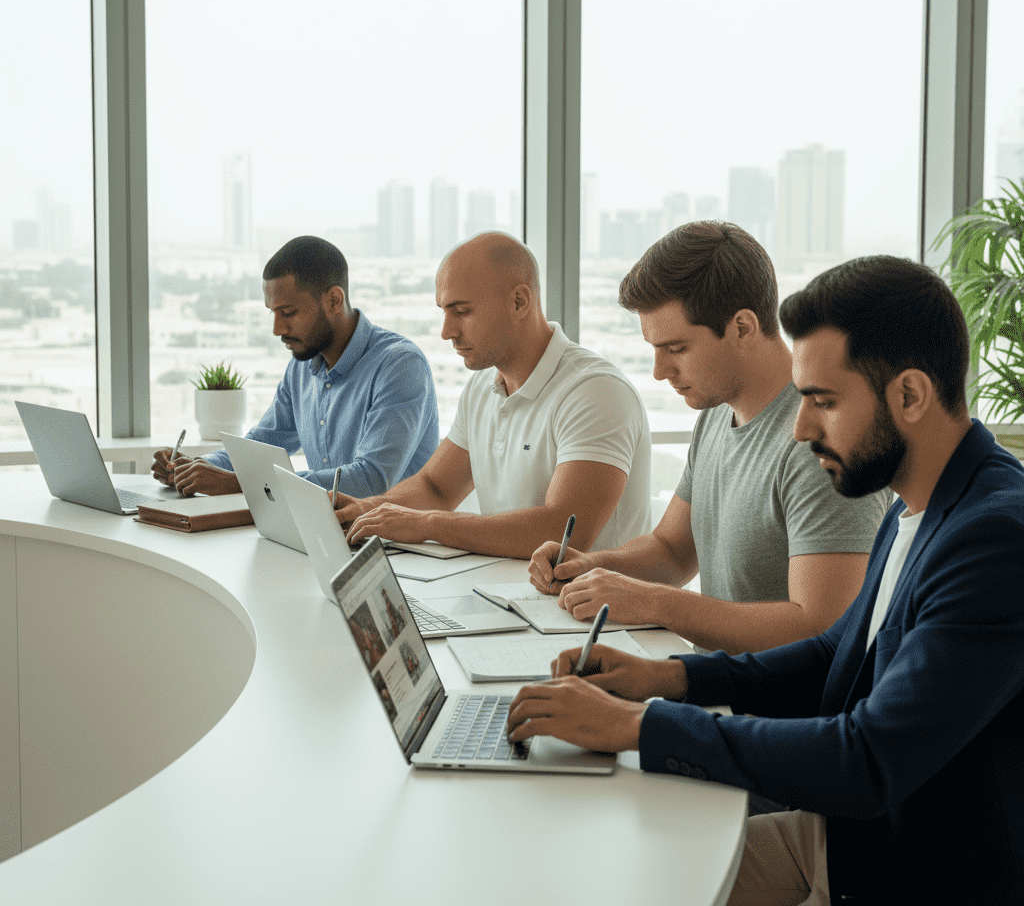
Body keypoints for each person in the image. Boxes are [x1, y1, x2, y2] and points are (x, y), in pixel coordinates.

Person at [507, 255, 1024, 904]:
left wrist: (638, 727)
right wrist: (669, 680)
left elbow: (866, 760)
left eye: (824, 402)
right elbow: (837, 652)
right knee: (609, 869)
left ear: (911, 396)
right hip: (852, 835)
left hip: (907, 868)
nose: (803, 428)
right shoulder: (914, 503)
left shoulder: (995, 538)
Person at [528, 222, 888, 654]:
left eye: (676, 349)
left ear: (742, 327)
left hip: (772, 716)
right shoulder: (717, 415)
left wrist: (655, 604)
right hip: (715, 691)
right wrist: (589, 566)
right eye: (654, 349)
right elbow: (672, 552)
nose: (660, 371)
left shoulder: (821, 445)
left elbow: (822, 628)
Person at [334, 231, 651, 559]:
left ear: (519, 302)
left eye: (462, 311)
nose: (447, 332)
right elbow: (436, 488)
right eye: (444, 311)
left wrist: (428, 524)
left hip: (592, 608)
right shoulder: (481, 387)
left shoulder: (594, 391)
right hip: (506, 594)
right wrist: (364, 509)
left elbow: (563, 531)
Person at [152, 236, 439, 497]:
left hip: (396, 546)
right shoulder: (302, 367)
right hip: (326, 532)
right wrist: (195, 468)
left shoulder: (399, 366)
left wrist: (242, 483)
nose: (277, 329)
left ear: (334, 300)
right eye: (272, 313)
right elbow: (262, 443)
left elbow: (371, 480)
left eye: (288, 313)